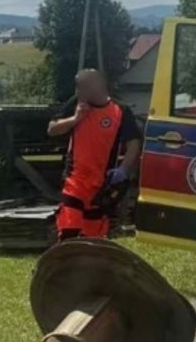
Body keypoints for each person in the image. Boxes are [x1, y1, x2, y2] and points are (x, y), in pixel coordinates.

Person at [47, 69, 140, 241]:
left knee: (92, 240)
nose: (81, 92)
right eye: (79, 87)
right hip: (74, 181)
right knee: (69, 233)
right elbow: (52, 129)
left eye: (85, 87)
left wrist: (124, 168)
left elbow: (133, 142)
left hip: (101, 186)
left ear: (99, 84)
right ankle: (63, 266)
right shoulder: (77, 104)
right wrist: (75, 119)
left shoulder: (121, 111)